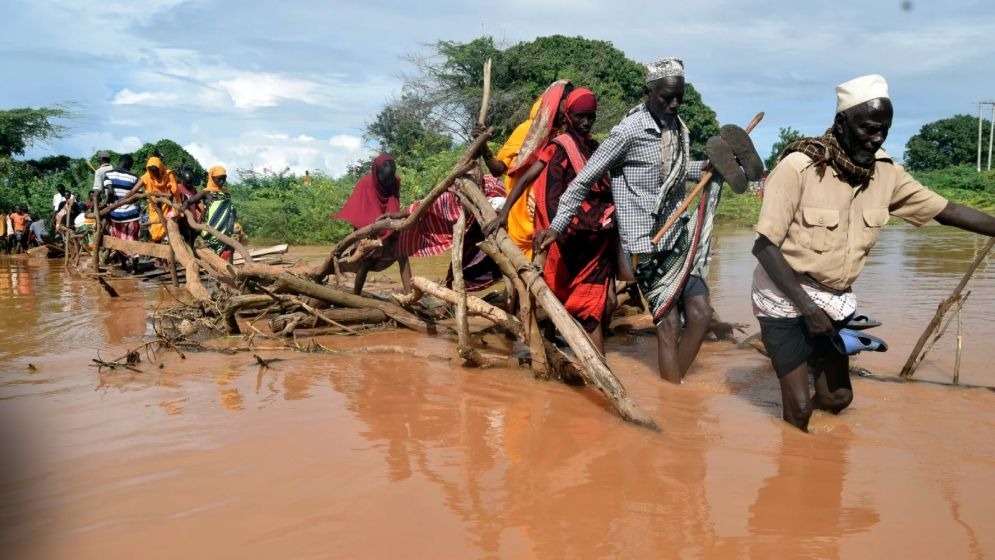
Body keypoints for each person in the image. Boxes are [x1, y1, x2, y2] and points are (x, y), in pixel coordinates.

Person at [751, 74, 995, 432]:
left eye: (884, 129)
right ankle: (795, 455)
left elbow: (948, 210)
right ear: (841, 123)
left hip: (834, 298)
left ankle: (818, 453)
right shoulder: (799, 167)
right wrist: (807, 308)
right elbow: (764, 247)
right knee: (800, 409)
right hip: (784, 293)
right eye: (868, 128)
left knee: (837, 399)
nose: (877, 138)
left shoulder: (886, 173)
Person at [535, 57, 760, 383]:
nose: (674, 103)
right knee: (668, 326)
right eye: (667, 96)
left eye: (679, 96)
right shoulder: (628, 131)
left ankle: (675, 395)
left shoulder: (677, 129)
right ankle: (674, 400)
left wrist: (712, 169)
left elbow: (679, 173)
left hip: (678, 238)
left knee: (699, 316)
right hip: (645, 244)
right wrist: (556, 226)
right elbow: (583, 180)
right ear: (649, 92)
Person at [526, 87, 617, 354]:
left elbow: (606, 186)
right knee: (567, 301)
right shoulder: (559, 148)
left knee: (598, 306)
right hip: (568, 237)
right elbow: (541, 184)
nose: (587, 122)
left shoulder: (595, 148)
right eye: (581, 117)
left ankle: (595, 368)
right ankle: (583, 363)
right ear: (569, 115)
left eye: (591, 116)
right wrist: (505, 211)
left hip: (597, 238)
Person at [477, 80, 573, 259]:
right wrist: (483, 145)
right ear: (556, 102)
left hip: (553, 217)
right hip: (520, 215)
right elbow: (498, 169)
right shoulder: (526, 131)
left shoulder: (569, 135)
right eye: (567, 102)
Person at [333, 153, 412, 295]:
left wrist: (392, 226)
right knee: (366, 263)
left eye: (390, 179)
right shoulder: (364, 185)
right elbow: (360, 212)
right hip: (370, 230)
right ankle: (356, 295)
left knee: (402, 254)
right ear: (376, 174)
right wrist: (371, 235)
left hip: (389, 227)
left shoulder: (394, 183)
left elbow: (394, 205)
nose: (387, 183)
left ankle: (410, 295)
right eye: (384, 180)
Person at [184, 166, 238, 262]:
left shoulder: (226, 193)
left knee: (228, 249)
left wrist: (235, 222)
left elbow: (230, 209)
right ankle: (219, 272)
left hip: (225, 229)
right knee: (214, 253)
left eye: (224, 179)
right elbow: (189, 202)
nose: (222, 182)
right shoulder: (206, 192)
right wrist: (183, 208)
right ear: (212, 178)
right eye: (219, 179)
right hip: (210, 229)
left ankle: (230, 274)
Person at [102, 154, 142, 268]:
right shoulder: (134, 177)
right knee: (133, 241)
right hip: (132, 215)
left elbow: (109, 192)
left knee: (118, 241)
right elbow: (139, 195)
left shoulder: (108, 174)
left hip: (116, 215)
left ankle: (124, 265)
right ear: (128, 164)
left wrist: (109, 204)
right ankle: (135, 267)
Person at [132, 156, 179, 243]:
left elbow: (174, 191)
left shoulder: (168, 174)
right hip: (154, 207)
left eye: (156, 170)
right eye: (151, 171)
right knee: (155, 231)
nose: (154, 173)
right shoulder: (146, 176)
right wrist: (123, 200)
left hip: (167, 206)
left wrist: (168, 194)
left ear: (160, 168)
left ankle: (165, 251)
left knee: (167, 230)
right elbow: (133, 190)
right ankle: (157, 250)